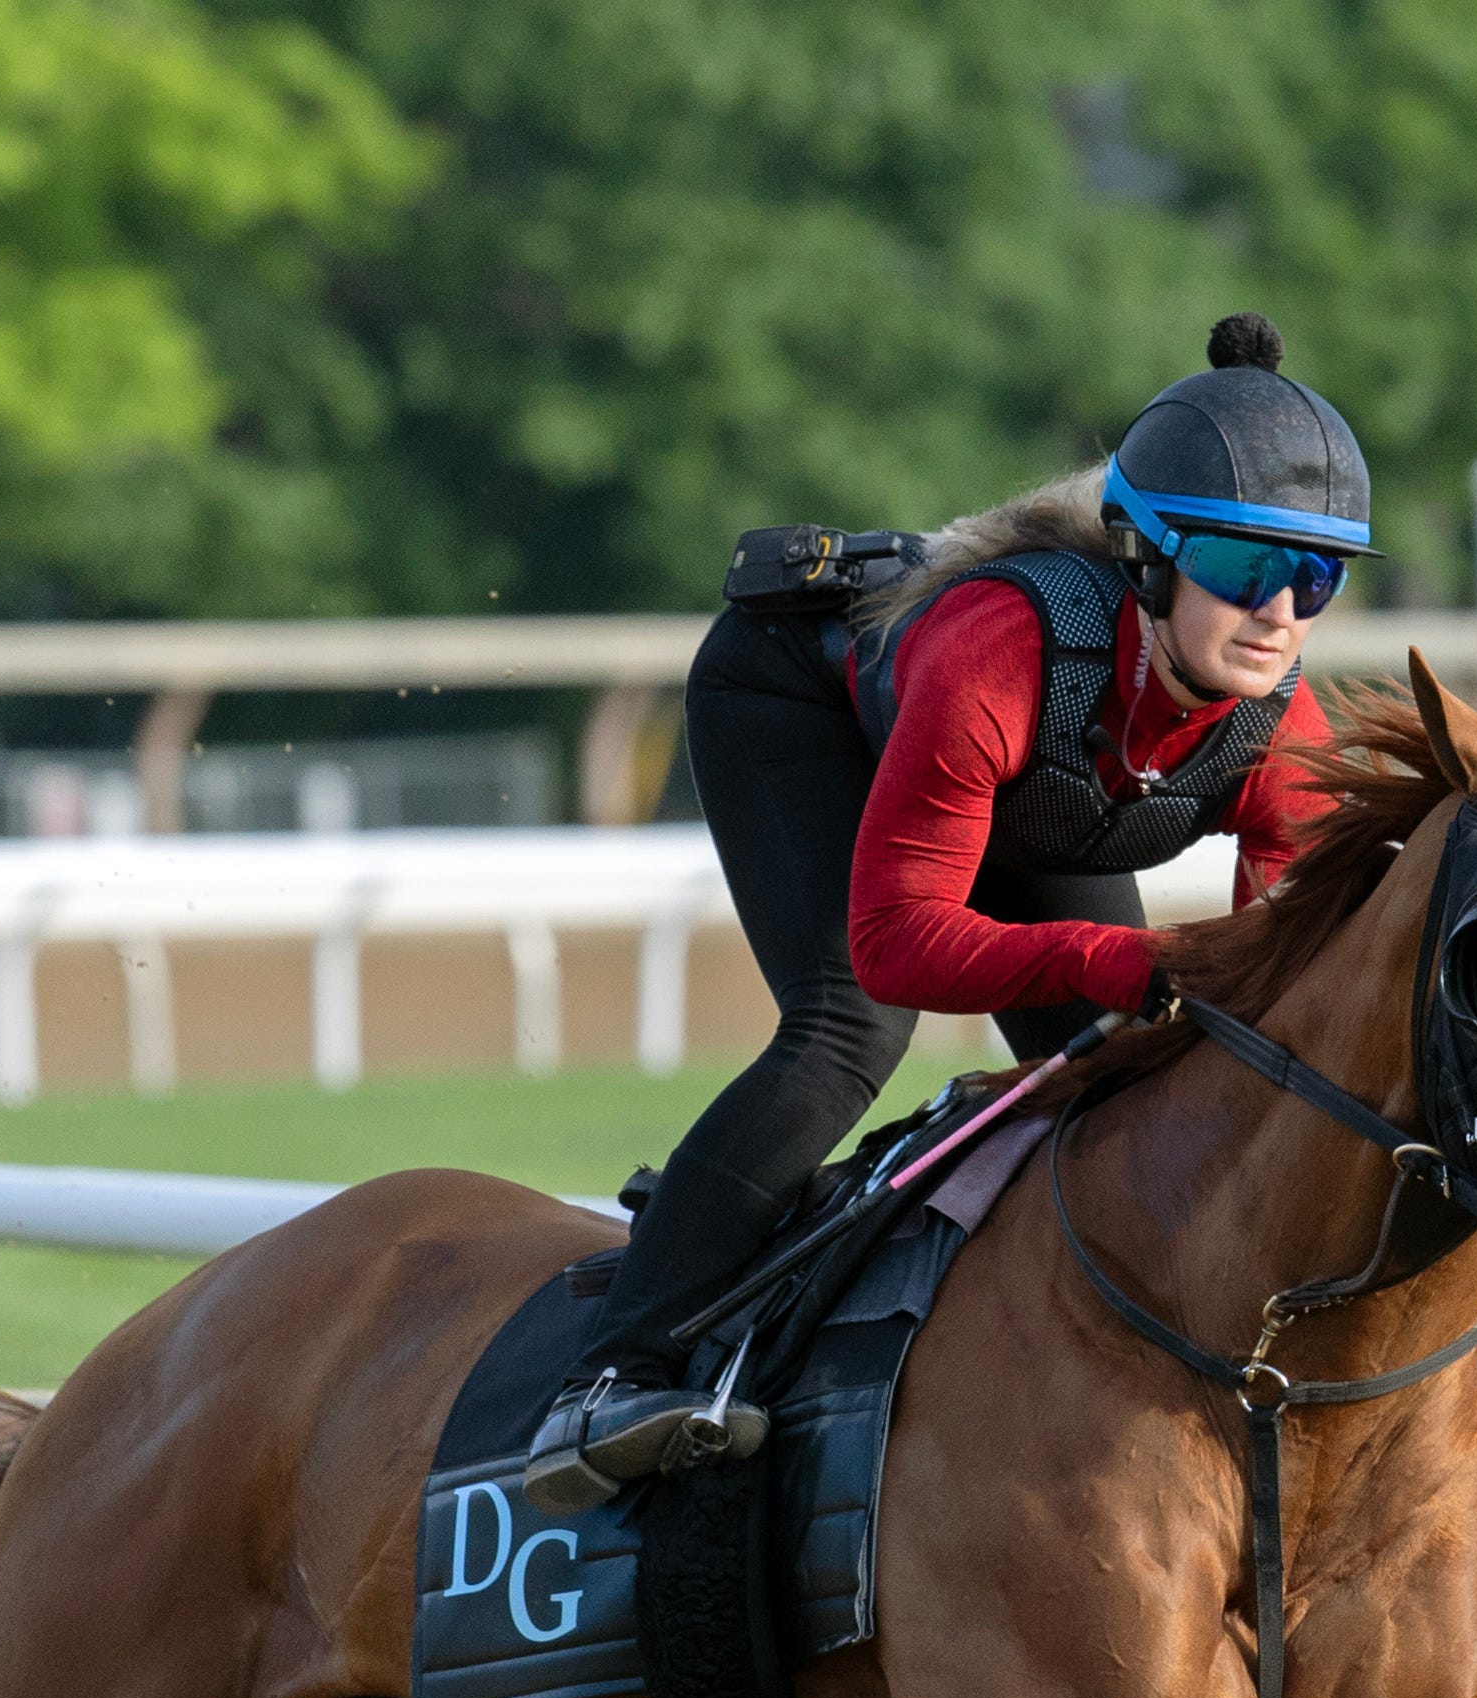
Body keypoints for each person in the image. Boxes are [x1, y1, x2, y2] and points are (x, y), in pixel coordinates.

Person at [521, 315, 1373, 1513]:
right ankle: (613, 1373)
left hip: (1044, 785)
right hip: (801, 708)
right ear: (1146, 556)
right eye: (1243, 570)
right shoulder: (996, 648)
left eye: (1318, 577)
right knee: (849, 1030)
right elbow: (896, 944)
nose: (1281, 612)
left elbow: (1285, 1002)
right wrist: (1135, 960)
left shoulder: (1281, 723)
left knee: (1135, 1073)